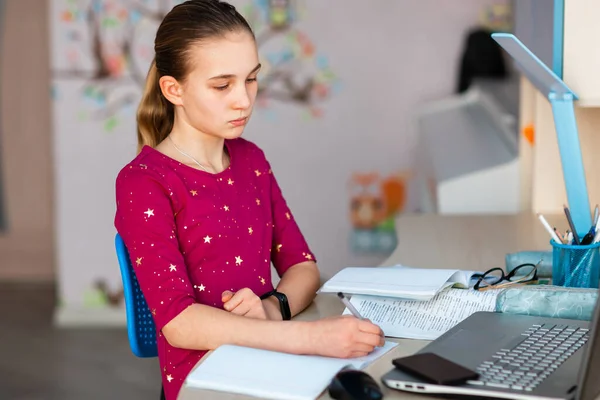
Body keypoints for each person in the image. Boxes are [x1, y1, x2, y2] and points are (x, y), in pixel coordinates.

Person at [114, 1, 384, 399]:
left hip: (269, 359)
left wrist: (274, 309)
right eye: (222, 85)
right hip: (206, 381)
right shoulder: (144, 183)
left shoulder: (250, 159)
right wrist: (309, 338)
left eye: (251, 79)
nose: (243, 100)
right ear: (174, 90)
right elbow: (179, 323)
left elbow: (302, 267)